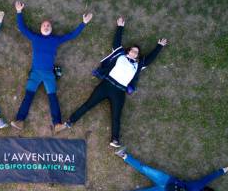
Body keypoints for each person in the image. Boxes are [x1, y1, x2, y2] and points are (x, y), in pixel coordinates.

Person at [55, 17, 167, 148]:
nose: (134, 52)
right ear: (128, 51)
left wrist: (159, 46)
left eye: (136, 52)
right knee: (88, 105)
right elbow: (116, 43)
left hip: (119, 92)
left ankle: (115, 139)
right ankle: (67, 124)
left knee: (116, 116)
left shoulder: (138, 65)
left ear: (137, 55)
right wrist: (120, 27)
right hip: (106, 85)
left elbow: (149, 59)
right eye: (132, 50)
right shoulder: (120, 55)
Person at [10, 1, 93, 132]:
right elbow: (22, 28)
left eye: (48, 25)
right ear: (40, 28)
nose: (46, 26)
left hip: (49, 74)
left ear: (51, 29)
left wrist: (84, 23)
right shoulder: (35, 37)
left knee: (53, 98)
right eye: (44, 25)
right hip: (35, 73)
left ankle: (57, 124)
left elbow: (72, 35)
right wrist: (19, 12)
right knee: (28, 96)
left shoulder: (55, 40)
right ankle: (20, 121)